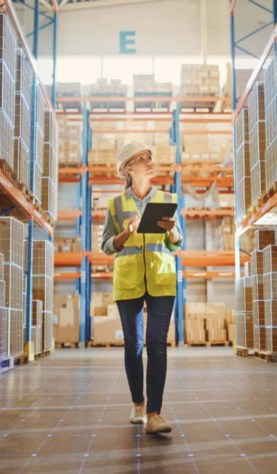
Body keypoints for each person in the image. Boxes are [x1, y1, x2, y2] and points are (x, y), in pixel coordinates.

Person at [101, 141, 183, 435]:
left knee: (157, 345)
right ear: (127, 168)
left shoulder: (167, 198)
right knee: (134, 346)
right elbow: (106, 246)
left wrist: (171, 229)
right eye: (141, 158)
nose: (149, 162)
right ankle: (138, 404)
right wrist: (125, 233)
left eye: (150, 157)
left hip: (161, 279)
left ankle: (155, 413)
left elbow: (177, 241)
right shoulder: (115, 204)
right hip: (129, 281)